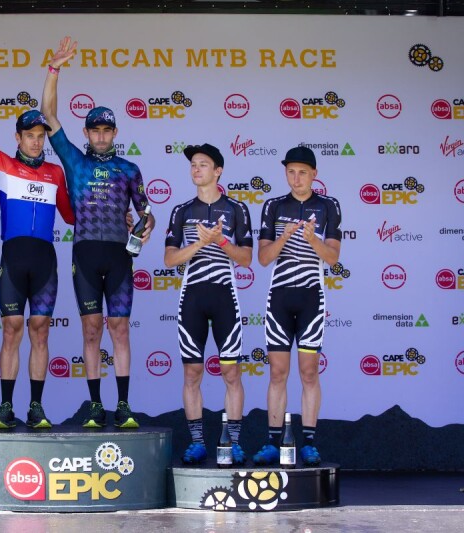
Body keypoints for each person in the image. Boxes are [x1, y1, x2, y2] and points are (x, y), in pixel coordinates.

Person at [0, 66, 75, 430]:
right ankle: (5, 407)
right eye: (29, 136)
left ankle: (36, 407)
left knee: (40, 329)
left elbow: (71, 216)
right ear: (18, 137)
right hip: (14, 256)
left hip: (44, 259)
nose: (36, 142)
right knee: (11, 328)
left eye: (40, 136)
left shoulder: (55, 173)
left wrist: (114, 215)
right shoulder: (3, 165)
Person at [42, 37, 154, 429]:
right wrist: (54, 69)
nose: (101, 136)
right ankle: (95, 406)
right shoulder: (74, 161)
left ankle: (123, 405)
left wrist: (144, 228)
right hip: (86, 253)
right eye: (95, 130)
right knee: (91, 330)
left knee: (119, 329)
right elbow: (48, 114)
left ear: (115, 131)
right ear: (86, 133)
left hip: (120, 255)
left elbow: (146, 212)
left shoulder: (129, 169)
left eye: (107, 130)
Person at [164, 144, 253, 465]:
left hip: (224, 295)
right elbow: (170, 259)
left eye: (203, 164)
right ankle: (198, 442)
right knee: (192, 372)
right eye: (193, 164)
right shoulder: (181, 211)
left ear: (218, 171)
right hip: (192, 297)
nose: (196, 169)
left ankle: (233, 443)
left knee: (231, 372)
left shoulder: (237, 209)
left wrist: (220, 241)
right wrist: (200, 244)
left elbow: (246, 258)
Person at [253, 146, 342, 467]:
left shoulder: (328, 205)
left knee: (308, 372)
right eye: (291, 171)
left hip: (311, 298)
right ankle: (272, 441)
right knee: (278, 372)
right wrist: (285, 237)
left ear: (314, 174)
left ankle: (309, 443)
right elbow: (263, 258)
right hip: (279, 297)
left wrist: (311, 239)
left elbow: (333, 257)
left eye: (303, 172)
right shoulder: (274, 205)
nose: (296, 178)